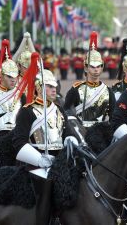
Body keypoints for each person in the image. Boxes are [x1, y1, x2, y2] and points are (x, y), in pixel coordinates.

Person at [12, 54, 78, 224]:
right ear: (39, 87)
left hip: (59, 161)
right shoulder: (27, 111)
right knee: (47, 187)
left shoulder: (59, 109)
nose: (55, 90)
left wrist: (71, 140)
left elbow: (69, 132)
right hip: (36, 163)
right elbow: (19, 143)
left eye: (55, 86)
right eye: (49, 86)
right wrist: (40, 159)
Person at [64, 32, 115, 127]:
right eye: (92, 66)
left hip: (101, 133)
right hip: (81, 131)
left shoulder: (108, 91)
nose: (96, 69)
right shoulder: (76, 90)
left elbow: (113, 117)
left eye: (98, 66)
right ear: (86, 68)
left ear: (102, 67)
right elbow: (66, 112)